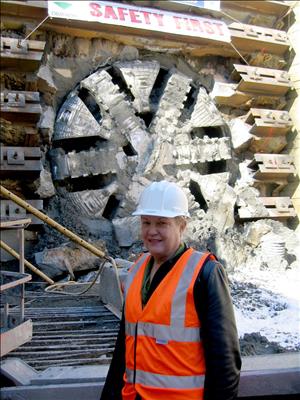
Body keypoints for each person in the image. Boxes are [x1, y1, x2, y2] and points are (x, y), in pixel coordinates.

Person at [101, 180, 241, 400]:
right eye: (146, 222)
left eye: (162, 223)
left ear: (182, 226)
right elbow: (123, 348)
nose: (152, 231)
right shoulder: (137, 270)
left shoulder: (205, 274)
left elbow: (225, 362)